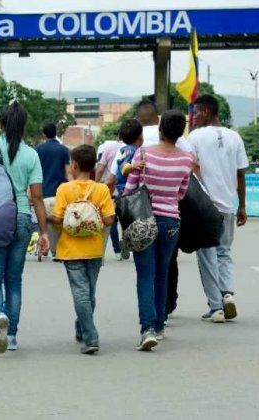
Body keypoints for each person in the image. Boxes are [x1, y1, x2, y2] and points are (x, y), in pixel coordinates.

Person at [0, 101, 49, 353]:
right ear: (23, 126)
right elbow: (37, 196)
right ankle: (12, 335)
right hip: (22, 218)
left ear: (0, 124)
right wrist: (45, 233)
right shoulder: (31, 155)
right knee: (14, 280)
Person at [123, 109, 193, 351]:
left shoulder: (144, 154)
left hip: (144, 219)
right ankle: (160, 324)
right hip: (171, 221)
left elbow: (130, 188)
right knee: (162, 273)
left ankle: (147, 329)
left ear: (160, 130)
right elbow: (182, 193)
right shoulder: (186, 160)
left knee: (145, 275)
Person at [188, 94, 249, 323]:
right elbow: (241, 174)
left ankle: (216, 307)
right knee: (224, 252)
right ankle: (228, 294)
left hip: (205, 207)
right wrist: (242, 205)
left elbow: (191, 166)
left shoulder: (195, 137)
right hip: (227, 207)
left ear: (205, 112)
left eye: (195, 112)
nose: (193, 117)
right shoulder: (235, 137)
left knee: (206, 256)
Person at [51, 145, 115, 355]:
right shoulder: (102, 189)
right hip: (94, 248)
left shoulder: (64, 189)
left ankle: (91, 336)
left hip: (71, 249)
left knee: (80, 291)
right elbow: (108, 220)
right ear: (94, 166)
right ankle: (82, 326)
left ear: (75, 164)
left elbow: (59, 219)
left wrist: (48, 217)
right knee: (90, 292)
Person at [106, 120, 144, 261]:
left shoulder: (124, 149)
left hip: (121, 191)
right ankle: (127, 243)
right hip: (127, 191)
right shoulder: (131, 151)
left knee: (123, 220)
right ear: (140, 136)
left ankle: (124, 242)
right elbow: (124, 168)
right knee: (133, 220)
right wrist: (134, 166)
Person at [34, 122, 71, 259]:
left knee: (43, 221)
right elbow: (68, 173)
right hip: (59, 194)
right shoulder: (63, 150)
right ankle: (57, 250)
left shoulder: (38, 149)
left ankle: (43, 247)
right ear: (56, 133)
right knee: (59, 221)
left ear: (44, 134)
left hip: (42, 193)